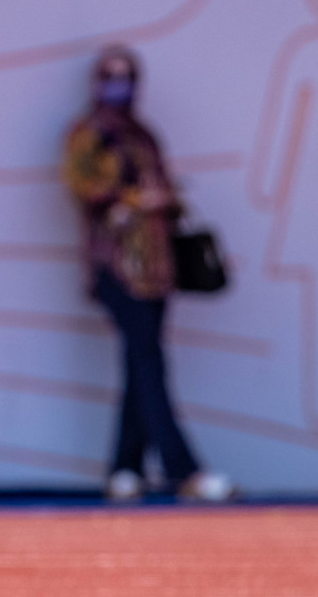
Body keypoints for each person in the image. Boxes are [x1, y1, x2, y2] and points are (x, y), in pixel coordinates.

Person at [62, 45, 232, 504]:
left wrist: (166, 200)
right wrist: (140, 199)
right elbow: (86, 189)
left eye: (127, 76)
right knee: (149, 364)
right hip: (118, 268)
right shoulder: (89, 135)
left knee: (141, 365)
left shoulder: (143, 134)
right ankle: (185, 471)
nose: (119, 86)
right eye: (110, 77)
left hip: (156, 267)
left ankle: (124, 469)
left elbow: (165, 191)